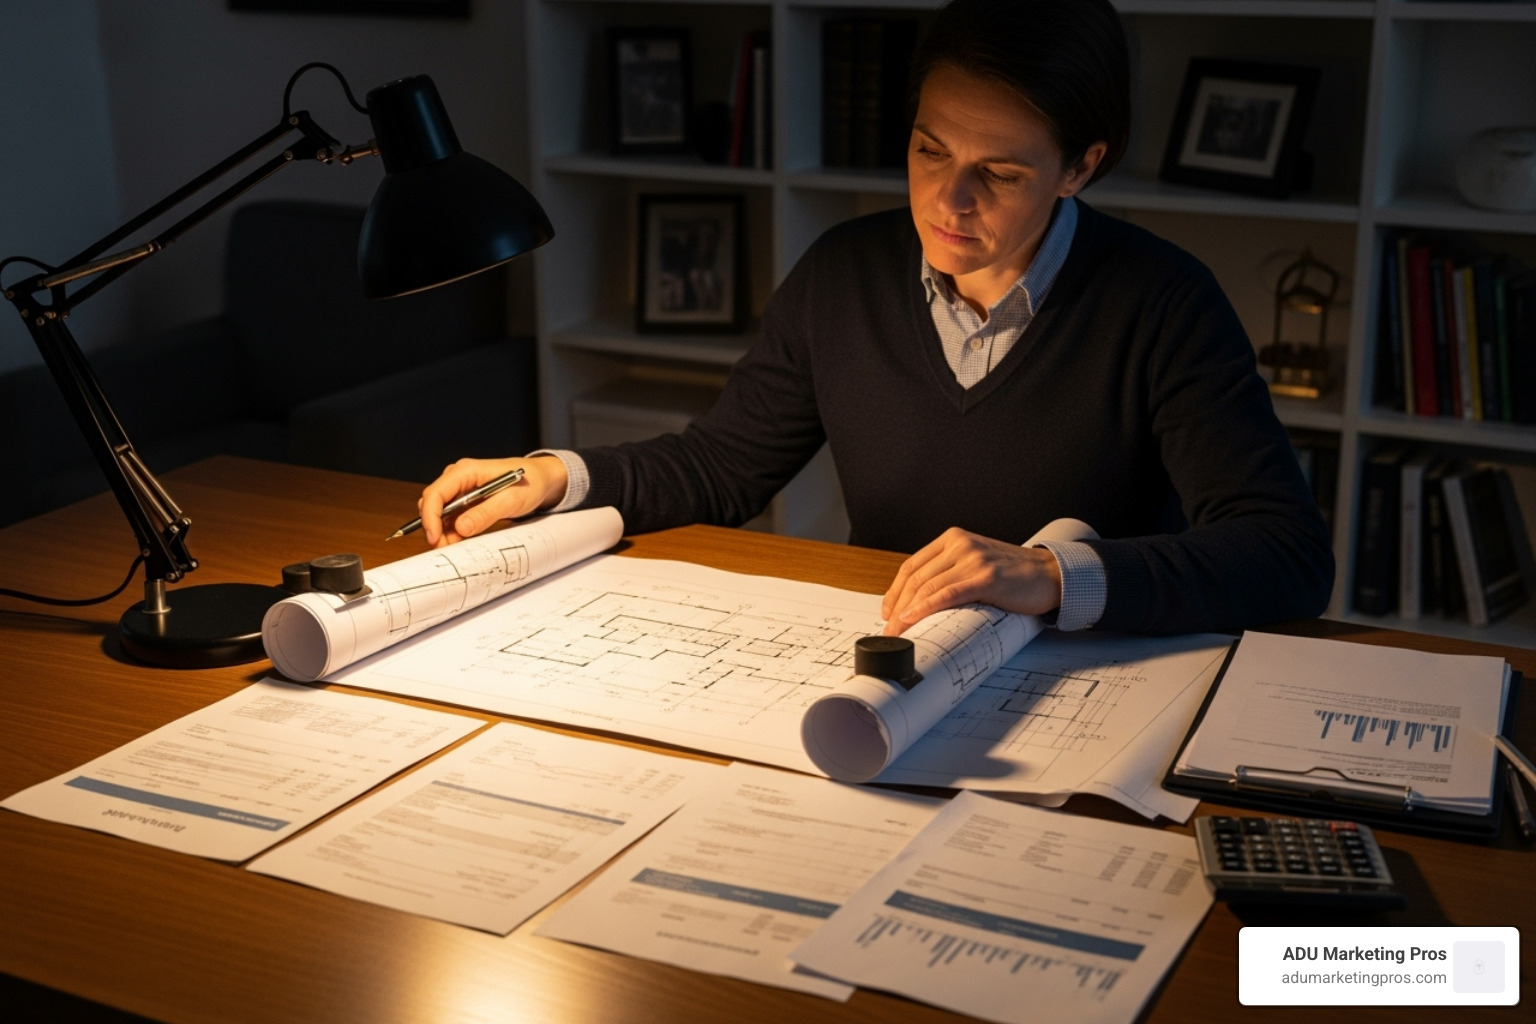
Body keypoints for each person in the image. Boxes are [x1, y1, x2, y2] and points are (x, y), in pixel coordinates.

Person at [414, 0, 1334, 638]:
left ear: (1079, 167)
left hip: (1082, 680)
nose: (950, 199)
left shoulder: (1164, 302)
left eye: (1001, 173)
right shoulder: (844, 274)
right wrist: (552, 476)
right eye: (930, 149)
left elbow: (1284, 556)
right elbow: (723, 466)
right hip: (892, 660)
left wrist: (1048, 578)